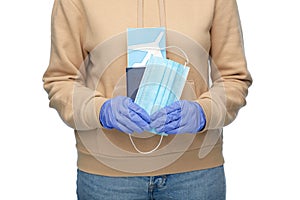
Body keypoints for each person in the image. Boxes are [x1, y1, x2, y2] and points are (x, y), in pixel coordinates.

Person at [43, 0, 252, 199]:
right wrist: (101, 110)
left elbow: (233, 77)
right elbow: (61, 79)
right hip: (107, 178)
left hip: (196, 174)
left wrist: (204, 113)